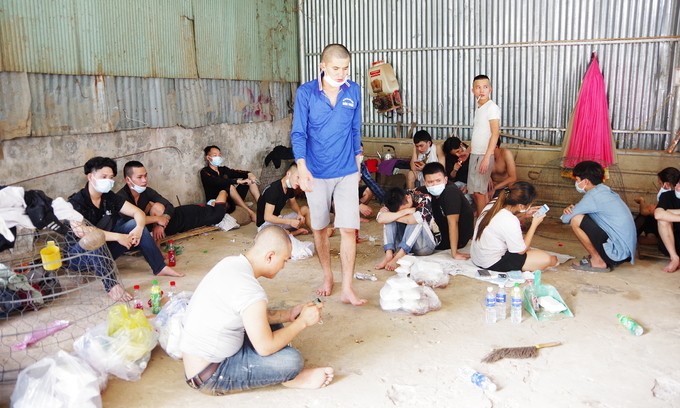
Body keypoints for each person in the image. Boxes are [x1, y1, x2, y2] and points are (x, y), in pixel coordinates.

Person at [181, 226, 334, 395]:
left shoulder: (231, 263)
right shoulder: (250, 290)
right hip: (211, 374)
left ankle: (279, 373)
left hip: (205, 357)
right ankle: (288, 378)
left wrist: (289, 315)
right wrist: (302, 322)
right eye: (284, 260)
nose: (283, 266)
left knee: (267, 321)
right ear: (270, 256)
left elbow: (253, 315)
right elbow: (265, 347)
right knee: (291, 362)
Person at [290, 43, 366, 305]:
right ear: (322, 66)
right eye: (336, 68)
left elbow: (356, 129)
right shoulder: (306, 93)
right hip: (316, 172)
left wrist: (358, 162)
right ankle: (327, 276)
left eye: (345, 68)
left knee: (348, 230)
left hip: (346, 170)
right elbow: (298, 132)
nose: (341, 73)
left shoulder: (353, 90)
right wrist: (301, 167)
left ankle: (347, 287)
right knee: (320, 228)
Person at [67, 157, 183, 302]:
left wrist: (139, 228)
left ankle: (159, 267)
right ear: (90, 177)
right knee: (93, 238)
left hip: (106, 252)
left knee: (134, 224)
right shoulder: (76, 202)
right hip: (79, 258)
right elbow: (81, 231)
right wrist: (117, 237)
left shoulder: (109, 197)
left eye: (111, 178)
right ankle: (112, 286)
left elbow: (138, 213)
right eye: (103, 177)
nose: (108, 180)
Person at [118, 161, 228, 241]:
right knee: (216, 215)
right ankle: (222, 193)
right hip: (174, 220)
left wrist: (161, 222)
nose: (144, 180)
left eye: (146, 176)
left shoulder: (147, 191)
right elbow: (133, 222)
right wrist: (157, 220)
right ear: (128, 180)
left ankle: (224, 191)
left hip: (180, 216)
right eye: (140, 177)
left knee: (217, 216)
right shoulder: (121, 198)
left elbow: (169, 205)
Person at [561, 160, 637, 272]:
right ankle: (599, 257)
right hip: (624, 252)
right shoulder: (603, 190)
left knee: (576, 219)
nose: (576, 183)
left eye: (577, 180)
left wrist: (569, 211)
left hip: (616, 253)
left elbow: (565, 218)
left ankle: (598, 261)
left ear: (586, 181)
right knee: (584, 216)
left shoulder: (593, 196)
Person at [471, 182, 557, 272]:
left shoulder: (495, 202)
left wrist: (524, 215)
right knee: (550, 260)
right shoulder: (510, 220)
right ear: (521, 206)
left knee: (531, 249)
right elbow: (521, 251)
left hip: (478, 258)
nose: (530, 206)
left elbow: (502, 223)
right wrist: (534, 224)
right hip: (492, 263)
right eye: (530, 204)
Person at [418, 162, 474, 260]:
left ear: (446, 179)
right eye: (430, 182)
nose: (434, 184)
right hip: (439, 231)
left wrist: (454, 253)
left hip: (457, 238)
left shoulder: (450, 192)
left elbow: (453, 223)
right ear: (425, 182)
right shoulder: (425, 190)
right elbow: (406, 196)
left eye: (438, 180)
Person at [375, 187, 438, 270]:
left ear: (408, 197)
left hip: (424, 245)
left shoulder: (424, 198)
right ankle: (389, 254)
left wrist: (394, 216)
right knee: (389, 219)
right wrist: (405, 212)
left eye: (404, 208)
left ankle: (399, 256)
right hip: (404, 241)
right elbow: (380, 218)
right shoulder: (393, 200)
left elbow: (414, 219)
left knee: (416, 218)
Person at [200, 145, 260, 223]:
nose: (218, 157)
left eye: (219, 155)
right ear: (208, 158)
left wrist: (249, 174)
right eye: (215, 155)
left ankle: (261, 206)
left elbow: (237, 172)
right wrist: (237, 181)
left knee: (249, 181)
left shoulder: (223, 169)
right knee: (230, 186)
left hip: (232, 198)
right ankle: (250, 213)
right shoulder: (205, 172)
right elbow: (218, 181)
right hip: (219, 201)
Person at [468, 74, 501, 216]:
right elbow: (479, 133)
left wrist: (487, 158)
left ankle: (482, 226)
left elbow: (495, 133)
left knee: (479, 193)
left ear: (490, 89)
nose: (482, 90)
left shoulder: (492, 107)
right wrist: (469, 151)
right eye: (478, 87)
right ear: (473, 90)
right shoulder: (479, 108)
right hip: (476, 154)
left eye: (485, 87)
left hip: (484, 155)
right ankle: (485, 223)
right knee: (477, 193)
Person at [256, 163, 311, 236]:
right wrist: (290, 222)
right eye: (298, 177)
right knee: (275, 235)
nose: (299, 182)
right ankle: (291, 233)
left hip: (278, 219)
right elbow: (267, 217)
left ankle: (317, 232)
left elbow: (293, 204)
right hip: (265, 225)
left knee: (305, 209)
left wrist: (299, 214)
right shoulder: (274, 190)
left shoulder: (290, 187)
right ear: (288, 173)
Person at [635, 167, 680, 246]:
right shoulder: (672, 194)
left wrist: (642, 201)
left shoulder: (668, 196)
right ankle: (651, 236)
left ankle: (631, 236)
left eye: (660, 184)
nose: (659, 187)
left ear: (667, 184)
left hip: (674, 233)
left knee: (646, 215)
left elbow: (645, 211)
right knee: (652, 215)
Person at [654, 171, 680, 272]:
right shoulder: (667, 196)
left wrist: (669, 212)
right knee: (662, 220)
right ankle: (674, 258)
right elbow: (658, 214)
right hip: (672, 243)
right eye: (678, 183)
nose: (678, 187)